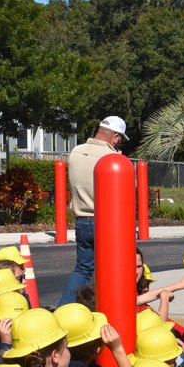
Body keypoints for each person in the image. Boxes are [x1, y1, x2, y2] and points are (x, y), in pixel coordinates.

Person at [58, 116, 128, 306]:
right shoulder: (112, 158)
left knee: (83, 268)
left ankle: (65, 307)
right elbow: (129, 186)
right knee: (113, 269)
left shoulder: (76, 152)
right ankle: (111, 307)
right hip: (106, 221)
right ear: (115, 137)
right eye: (120, 139)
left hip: (82, 219)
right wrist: (121, 159)